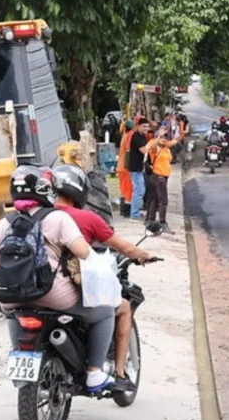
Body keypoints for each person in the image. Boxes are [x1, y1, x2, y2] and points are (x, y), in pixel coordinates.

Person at [0, 166, 118, 393]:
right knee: (105, 311)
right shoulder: (58, 218)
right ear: (46, 190)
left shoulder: (4, 224)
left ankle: (19, 354)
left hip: (11, 296)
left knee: (14, 312)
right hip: (54, 296)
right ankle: (94, 373)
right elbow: (84, 252)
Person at [51, 165, 154, 389]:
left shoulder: (39, 216)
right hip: (66, 293)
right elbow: (124, 248)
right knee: (118, 307)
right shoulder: (86, 218)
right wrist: (145, 255)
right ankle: (113, 372)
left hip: (33, 292)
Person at [144, 125, 182, 234]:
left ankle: (150, 219)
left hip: (164, 176)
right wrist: (158, 136)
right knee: (163, 201)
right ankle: (162, 222)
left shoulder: (166, 148)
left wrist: (183, 133)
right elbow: (153, 146)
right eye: (161, 137)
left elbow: (175, 140)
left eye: (165, 137)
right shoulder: (154, 148)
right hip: (158, 176)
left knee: (155, 199)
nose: (163, 139)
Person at [126, 118, 150, 220]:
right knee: (139, 191)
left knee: (140, 190)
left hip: (138, 168)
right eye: (144, 126)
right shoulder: (137, 137)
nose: (146, 129)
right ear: (138, 126)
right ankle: (134, 215)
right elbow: (144, 150)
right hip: (134, 168)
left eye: (147, 127)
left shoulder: (142, 136)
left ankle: (135, 212)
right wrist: (154, 143)